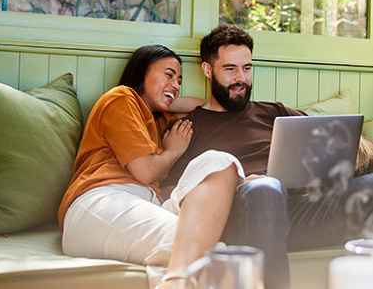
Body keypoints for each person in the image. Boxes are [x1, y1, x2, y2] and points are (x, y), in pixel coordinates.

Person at [161, 25, 373, 289]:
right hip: (244, 215)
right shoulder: (189, 127)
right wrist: (235, 182)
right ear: (208, 70)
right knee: (266, 187)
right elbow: (174, 192)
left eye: (247, 68)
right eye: (231, 69)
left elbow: (350, 139)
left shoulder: (274, 112)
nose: (241, 78)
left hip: (299, 213)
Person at [57, 44, 246, 289]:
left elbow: (199, 104)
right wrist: (173, 151)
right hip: (99, 202)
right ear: (141, 73)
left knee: (222, 161)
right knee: (204, 252)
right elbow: (145, 171)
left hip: (147, 204)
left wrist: (164, 96)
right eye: (168, 75)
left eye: (179, 80)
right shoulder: (120, 98)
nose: (176, 85)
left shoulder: (157, 120)